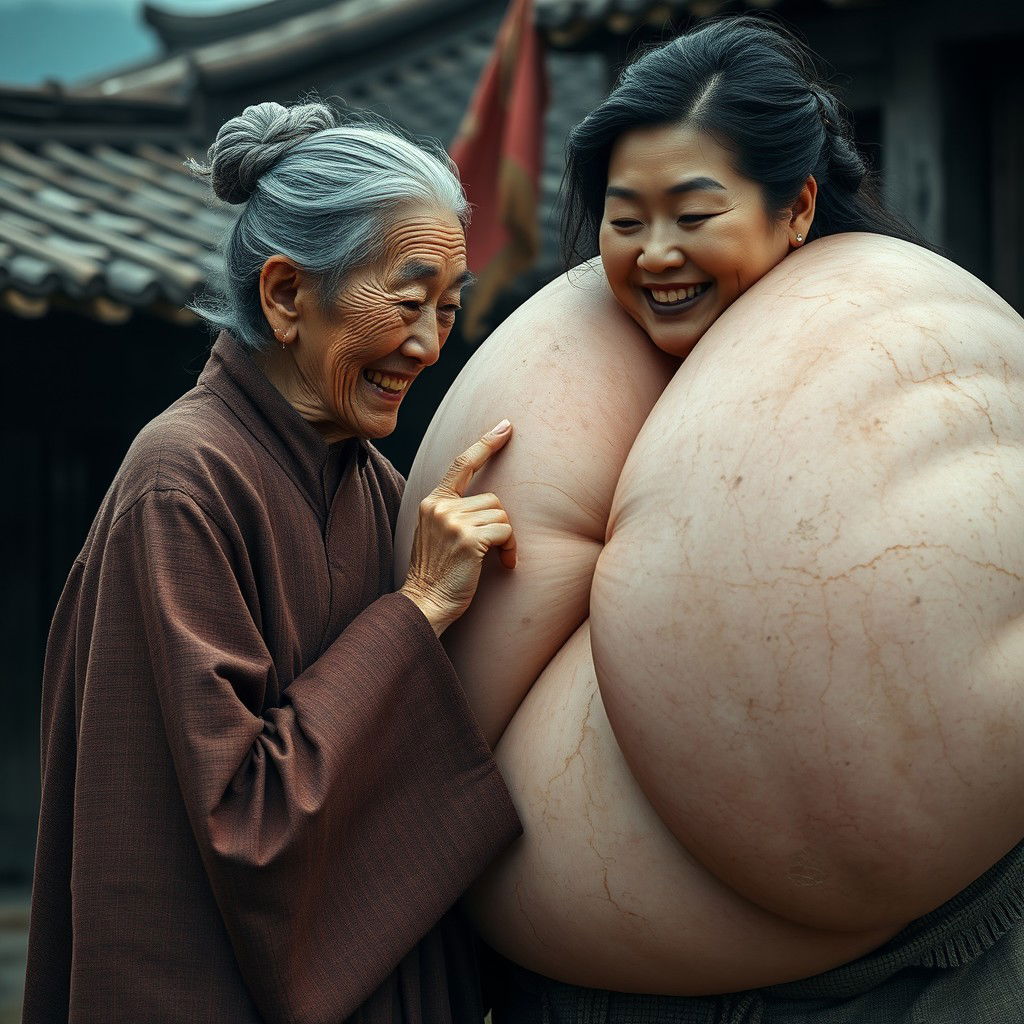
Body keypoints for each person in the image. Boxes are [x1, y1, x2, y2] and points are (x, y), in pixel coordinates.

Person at [394, 16, 1024, 1024]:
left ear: (796, 207)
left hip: (918, 971)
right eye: (624, 216)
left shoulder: (902, 347)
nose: (654, 254)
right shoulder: (592, 362)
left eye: (693, 212)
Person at [22, 99, 523, 1024]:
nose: (428, 344)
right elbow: (244, 820)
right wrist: (416, 609)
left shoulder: (377, 485)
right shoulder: (181, 482)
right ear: (287, 295)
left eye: (449, 310)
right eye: (408, 303)